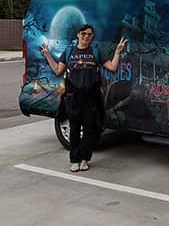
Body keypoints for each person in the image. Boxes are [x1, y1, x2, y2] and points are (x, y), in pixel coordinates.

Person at [41, 24, 127, 172]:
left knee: (90, 129)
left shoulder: (96, 51)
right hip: (73, 97)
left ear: (92, 37)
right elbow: (57, 70)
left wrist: (118, 52)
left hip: (91, 97)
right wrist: (47, 54)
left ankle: (84, 158)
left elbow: (112, 67)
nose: (86, 36)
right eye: (83, 34)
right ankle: (74, 159)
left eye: (89, 34)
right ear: (78, 35)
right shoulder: (69, 52)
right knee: (74, 129)